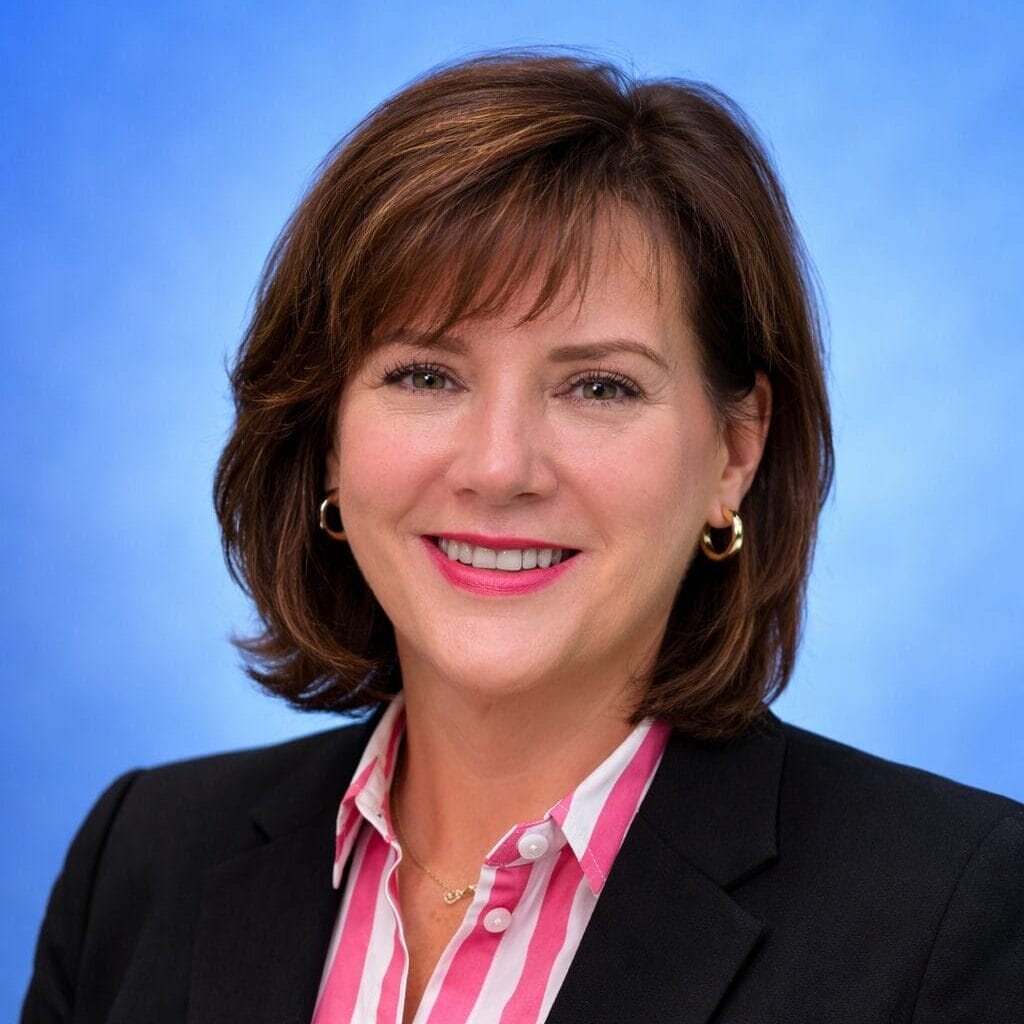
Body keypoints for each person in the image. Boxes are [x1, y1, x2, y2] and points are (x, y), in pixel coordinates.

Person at [21, 51, 1023, 1024]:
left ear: (733, 450)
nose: (499, 467)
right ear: (326, 432)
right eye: (424, 374)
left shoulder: (951, 914)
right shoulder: (140, 864)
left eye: (599, 385)